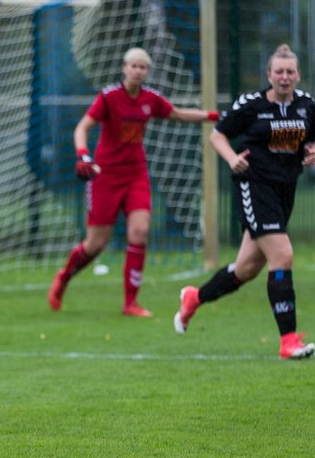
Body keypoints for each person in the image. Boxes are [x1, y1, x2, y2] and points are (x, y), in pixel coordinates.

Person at [173, 44, 315, 360]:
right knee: (282, 255)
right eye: (278, 72)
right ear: (268, 75)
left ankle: (194, 298)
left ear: (298, 75)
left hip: (285, 190)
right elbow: (217, 135)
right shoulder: (251, 105)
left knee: (247, 268)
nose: (284, 77)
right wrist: (231, 159)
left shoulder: (307, 105)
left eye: (290, 72)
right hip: (254, 186)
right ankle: (288, 341)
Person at [48, 47, 220, 317]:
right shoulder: (109, 97)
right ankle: (64, 278)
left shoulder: (150, 99)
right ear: (124, 68)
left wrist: (211, 116)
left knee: (139, 232)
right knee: (95, 245)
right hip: (104, 175)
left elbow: (176, 113)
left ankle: (131, 303)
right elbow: (82, 127)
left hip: (136, 174)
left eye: (143, 67)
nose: (138, 71)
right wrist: (83, 155)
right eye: (134, 66)